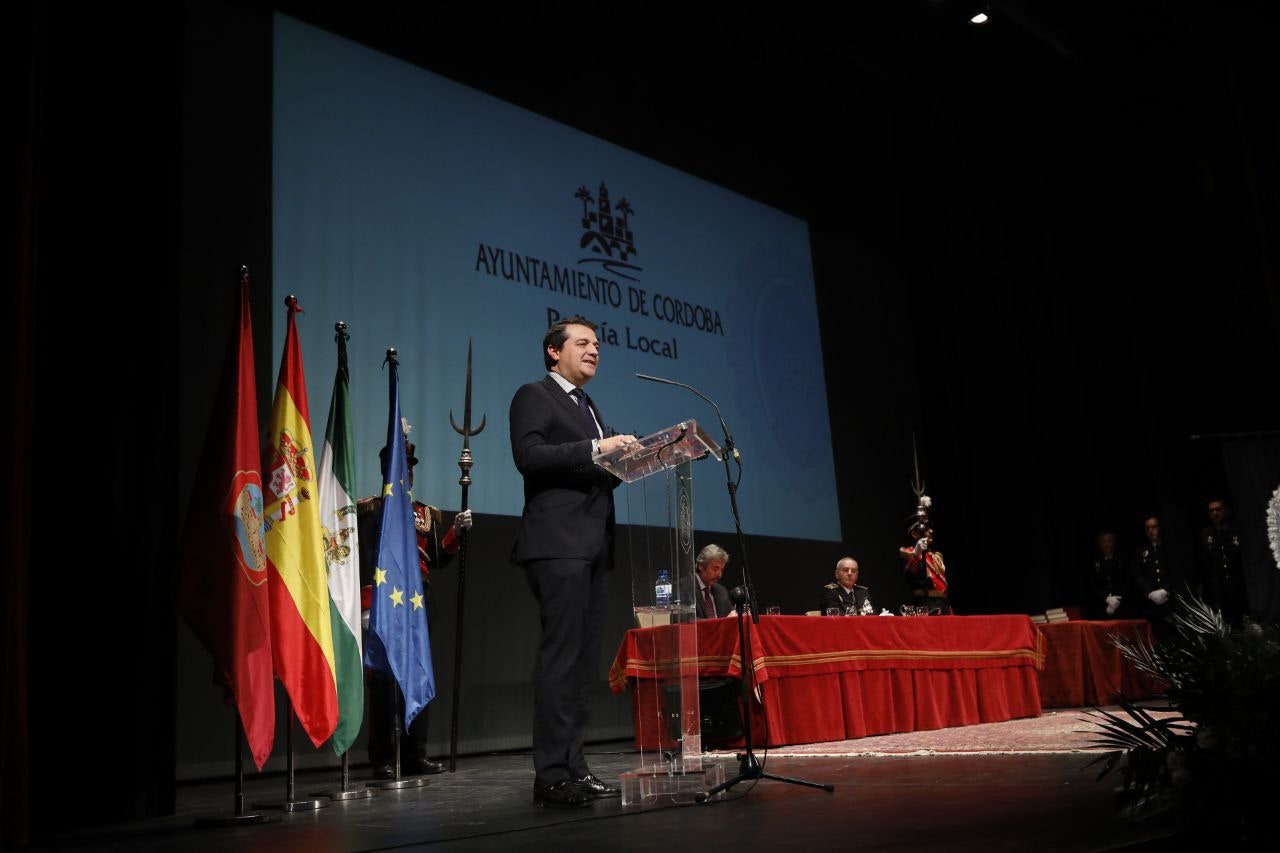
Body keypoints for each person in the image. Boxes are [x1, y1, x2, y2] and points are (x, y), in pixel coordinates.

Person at [509, 315, 636, 809]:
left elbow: (596, 464)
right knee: (562, 659)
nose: (595, 350)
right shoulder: (533, 395)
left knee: (583, 663)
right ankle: (551, 775)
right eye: (583, 343)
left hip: (593, 546)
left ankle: (576, 768)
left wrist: (630, 459)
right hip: (558, 543)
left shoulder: (587, 404)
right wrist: (597, 447)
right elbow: (530, 456)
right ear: (553, 352)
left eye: (598, 344)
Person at [357, 429, 473, 779]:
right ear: (386, 470)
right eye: (400, 466)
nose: (406, 472)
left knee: (417, 677)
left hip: (417, 605)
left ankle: (414, 755)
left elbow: (435, 557)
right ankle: (381, 758)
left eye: (409, 467)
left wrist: (455, 531)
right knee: (382, 683)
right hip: (382, 606)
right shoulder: (370, 510)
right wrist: (366, 605)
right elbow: (363, 559)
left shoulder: (423, 514)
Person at [1197, 497, 1248, 624]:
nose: (1214, 513)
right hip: (1219, 590)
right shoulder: (1206, 534)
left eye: (1218, 509)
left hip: (1239, 586)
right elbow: (1206, 562)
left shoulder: (1236, 530)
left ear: (1225, 511)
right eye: (1211, 511)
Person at [1132, 515, 1173, 640]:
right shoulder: (1141, 550)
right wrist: (1149, 593)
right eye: (1147, 528)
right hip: (1151, 603)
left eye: (1154, 527)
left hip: (1169, 600)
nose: (1151, 530)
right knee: (1156, 637)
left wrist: (1166, 589)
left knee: (1172, 634)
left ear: (1160, 528)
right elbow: (1137, 574)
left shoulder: (1169, 547)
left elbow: (1176, 571)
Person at [1084, 530, 1131, 620]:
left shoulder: (1123, 559)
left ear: (1114, 542)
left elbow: (1128, 581)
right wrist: (1106, 598)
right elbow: (1092, 584)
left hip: (1122, 606)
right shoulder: (1095, 562)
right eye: (1103, 541)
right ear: (1099, 544)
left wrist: (1117, 599)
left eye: (1109, 541)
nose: (1106, 544)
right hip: (1102, 607)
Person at [687, 544, 733, 619]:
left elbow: (729, 615)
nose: (719, 575)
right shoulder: (685, 589)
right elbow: (687, 621)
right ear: (701, 566)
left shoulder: (721, 591)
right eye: (715, 569)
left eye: (721, 570)